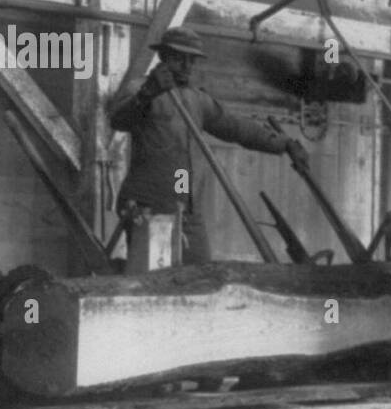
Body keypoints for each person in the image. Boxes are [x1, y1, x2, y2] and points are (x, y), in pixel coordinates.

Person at [109, 26, 308, 265]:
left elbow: (237, 128)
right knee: (156, 279)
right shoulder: (140, 89)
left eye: (191, 60)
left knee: (200, 277)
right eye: (178, 58)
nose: (186, 66)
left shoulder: (197, 100)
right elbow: (119, 120)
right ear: (163, 56)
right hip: (149, 209)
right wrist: (147, 93)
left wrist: (284, 144)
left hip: (188, 210)